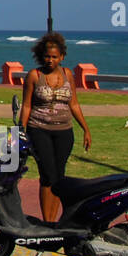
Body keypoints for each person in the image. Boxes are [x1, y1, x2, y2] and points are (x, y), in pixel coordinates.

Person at [18, 32, 91, 223]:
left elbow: (73, 103)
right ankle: (47, 221)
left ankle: (55, 222)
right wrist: (20, 131)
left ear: (62, 57)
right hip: (39, 129)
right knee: (48, 175)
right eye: (47, 56)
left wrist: (85, 129)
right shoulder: (35, 75)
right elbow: (26, 106)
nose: (50, 60)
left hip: (64, 132)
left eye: (54, 57)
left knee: (59, 177)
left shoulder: (68, 75)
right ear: (42, 57)